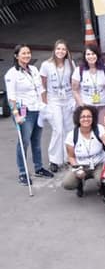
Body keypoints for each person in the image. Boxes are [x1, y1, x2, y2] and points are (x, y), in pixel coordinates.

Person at [5, 44, 53, 185]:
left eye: (28, 53)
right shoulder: (12, 74)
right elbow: (11, 97)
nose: (26, 55)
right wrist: (16, 114)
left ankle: (38, 168)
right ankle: (22, 172)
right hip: (23, 111)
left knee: (36, 141)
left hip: (37, 109)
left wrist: (45, 106)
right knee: (24, 141)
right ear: (16, 56)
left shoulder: (33, 69)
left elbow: (40, 89)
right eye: (23, 53)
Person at [40, 39, 77, 171]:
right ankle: (54, 160)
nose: (60, 52)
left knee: (69, 128)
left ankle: (69, 157)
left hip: (68, 99)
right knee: (58, 129)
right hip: (54, 100)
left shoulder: (70, 63)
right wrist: (45, 104)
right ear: (54, 50)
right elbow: (42, 85)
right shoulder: (46, 65)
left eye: (63, 49)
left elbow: (73, 82)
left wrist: (74, 99)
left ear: (67, 51)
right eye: (58, 49)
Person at [62, 105, 105, 197]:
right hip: (81, 165)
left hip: (99, 164)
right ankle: (79, 184)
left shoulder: (99, 129)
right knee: (67, 183)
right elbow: (71, 156)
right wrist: (77, 169)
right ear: (78, 119)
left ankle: (102, 187)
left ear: (93, 118)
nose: (86, 119)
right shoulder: (71, 135)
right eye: (83, 117)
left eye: (89, 116)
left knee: (103, 180)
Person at [72, 46, 105, 126]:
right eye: (88, 54)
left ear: (97, 55)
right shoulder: (79, 70)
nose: (91, 56)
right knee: (88, 129)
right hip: (86, 105)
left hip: (103, 105)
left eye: (93, 54)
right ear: (85, 56)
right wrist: (82, 105)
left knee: (102, 129)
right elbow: (75, 90)